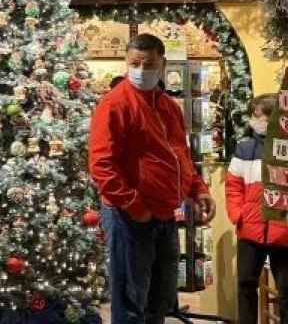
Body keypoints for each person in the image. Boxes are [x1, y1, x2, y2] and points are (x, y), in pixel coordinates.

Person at [89, 33, 215, 324]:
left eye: (148, 64)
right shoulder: (114, 104)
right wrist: (134, 205)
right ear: (126, 62)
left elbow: (180, 155)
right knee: (132, 302)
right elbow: (101, 165)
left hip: (165, 215)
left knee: (161, 299)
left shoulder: (169, 106)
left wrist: (198, 189)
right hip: (129, 218)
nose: (141, 70)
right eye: (135, 63)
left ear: (163, 64)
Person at [227, 93, 283, 324]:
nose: (253, 119)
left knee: (287, 291)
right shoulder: (245, 148)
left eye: (257, 115)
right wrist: (237, 214)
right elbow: (233, 186)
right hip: (250, 230)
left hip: (284, 233)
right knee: (245, 286)